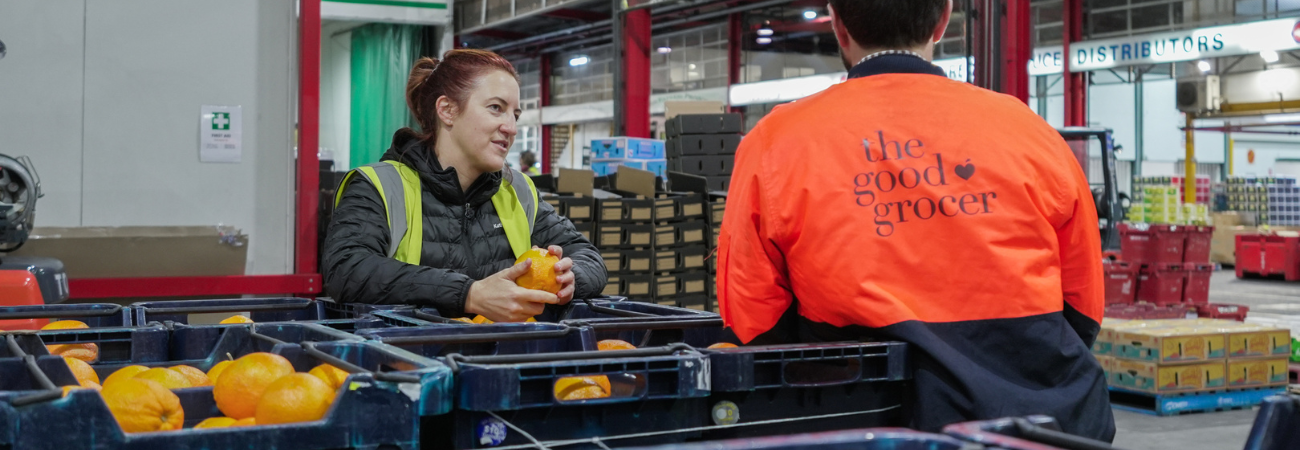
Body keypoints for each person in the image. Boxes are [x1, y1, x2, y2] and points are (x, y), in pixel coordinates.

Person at [716, 0, 1114, 441]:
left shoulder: (776, 141)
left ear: (838, 25)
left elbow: (753, 319)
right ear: (943, 20)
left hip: (865, 419)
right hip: (1042, 421)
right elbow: (1083, 306)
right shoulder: (1028, 129)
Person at [323, 50, 607, 322]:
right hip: (408, 362)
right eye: (496, 108)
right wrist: (470, 294)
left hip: (502, 359)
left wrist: (570, 277)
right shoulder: (380, 187)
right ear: (447, 110)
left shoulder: (517, 191)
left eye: (515, 115)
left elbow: (590, 258)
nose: (511, 127)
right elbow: (347, 269)